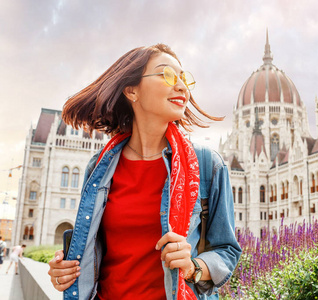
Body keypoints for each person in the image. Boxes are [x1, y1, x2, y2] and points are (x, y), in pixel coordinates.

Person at [47, 44, 241, 300]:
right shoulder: (101, 166)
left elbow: (227, 250)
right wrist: (66, 270)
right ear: (131, 90)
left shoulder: (207, 165)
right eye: (168, 75)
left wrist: (194, 267)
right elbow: (92, 250)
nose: (181, 86)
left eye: (184, 78)